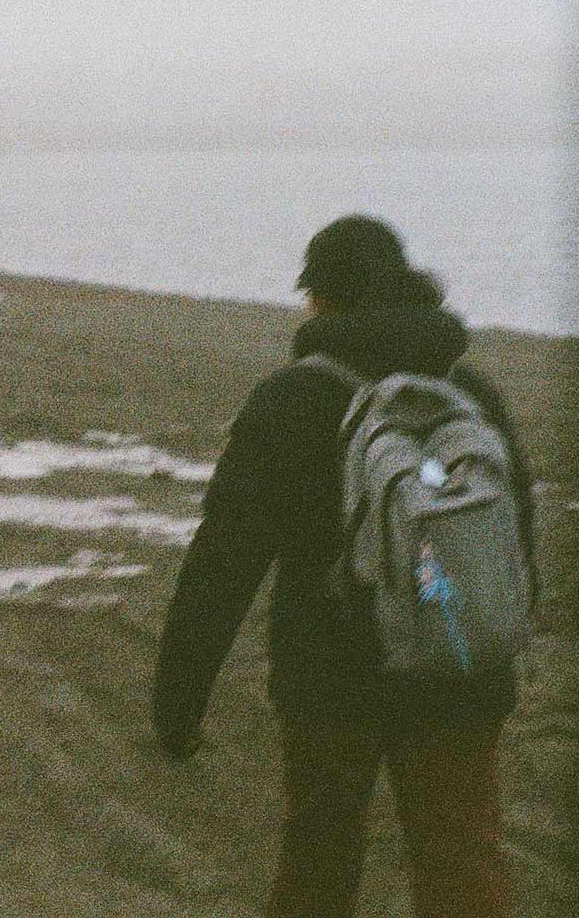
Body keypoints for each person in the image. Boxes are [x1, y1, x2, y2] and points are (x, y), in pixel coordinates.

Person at [152, 214, 534, 918]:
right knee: (461, 860)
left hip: (330, 681)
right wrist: (493, 645)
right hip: (455, 666)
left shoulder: (291, 398)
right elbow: (516, 541)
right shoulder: (470, 394)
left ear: (321, 298)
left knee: (319, 862)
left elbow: (223, 559)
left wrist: (179, 699)